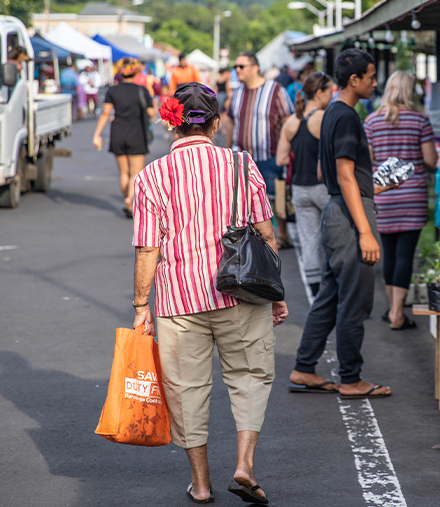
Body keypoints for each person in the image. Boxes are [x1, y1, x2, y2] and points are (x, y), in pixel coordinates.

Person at [131, 82, 289, 505]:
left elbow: (148, 248)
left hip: (179, 303)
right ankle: (244, 464)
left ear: (171, 124)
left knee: (186, 389)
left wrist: (141, 305)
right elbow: (266, 235)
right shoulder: (242, 165)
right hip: (241, 293)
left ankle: (201, 485)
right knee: (250, 376)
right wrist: (277, 293)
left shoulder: (151, 176)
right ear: (217, 124)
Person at [288, 49, 393, 399]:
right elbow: (346, 174)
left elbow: (326, 172)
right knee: (354, 301)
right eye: (371, 76)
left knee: (330, 298)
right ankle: (351, 378)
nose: (375, 83)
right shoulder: (347, 116)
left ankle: (304, 367)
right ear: (354, 79)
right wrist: (365, 231)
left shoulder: (329, 112)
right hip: (350, 218)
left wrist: (369, 185)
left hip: (336, 210)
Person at [364, 71, 438, 330]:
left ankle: (392, 309)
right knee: (406, 255)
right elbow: (430, 160)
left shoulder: (372, 122)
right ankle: (397, 313)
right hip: (412, 195)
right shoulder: (420, 121)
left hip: (382, 195)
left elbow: (369, 161)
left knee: (389, 255)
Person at [224, 51, 295, 249]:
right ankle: (249, 236)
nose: (237, 70)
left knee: (274, 195)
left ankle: (282, 235)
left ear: (255, 67)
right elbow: (230, 122)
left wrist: (285, 152)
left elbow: (287, 121)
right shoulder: (237, 92)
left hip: (269, 155)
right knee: (241, 198)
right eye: (235, 66)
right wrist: (227, 150)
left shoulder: (275, 90)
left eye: (241, 66)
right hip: (242, 158)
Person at [275, 72, 334, 297]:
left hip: (299, 188)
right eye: (329, 91)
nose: (331, 95)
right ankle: (334, 285)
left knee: (309, 239)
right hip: (324, 187)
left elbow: (280, 158)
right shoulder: (324, 118)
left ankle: (315, 290)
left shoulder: (292, 121)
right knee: (333, 237)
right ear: (319, 92)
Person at [92, 58, 155, 218]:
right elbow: (151, 113)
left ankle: (127, 199)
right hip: (137, 132)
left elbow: (106, 113)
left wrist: (97, 134)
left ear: (120, 72)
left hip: (118, 131)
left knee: (124, 173)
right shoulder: (142, 91)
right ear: (136, 72)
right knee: (136, 172)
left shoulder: (113, 91)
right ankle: (130, 198)